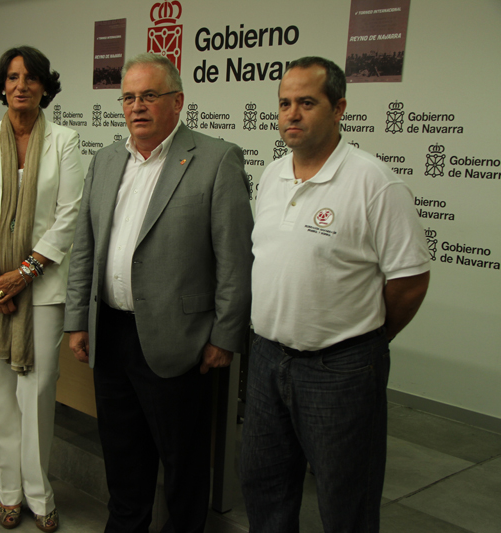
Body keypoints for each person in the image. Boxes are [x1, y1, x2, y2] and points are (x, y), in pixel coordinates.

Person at [64, 53, 253, 533]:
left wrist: (226, 335)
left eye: (149, 95)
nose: (137, 106)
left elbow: (234, 259)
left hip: (181, 337)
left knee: (184, 459)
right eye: (129, 96)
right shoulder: (107, 160)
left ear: (177, 102)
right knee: (122, 450)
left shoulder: (216, 158)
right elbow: (85, 246)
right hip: (111, 332)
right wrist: (76, 320)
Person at [240, 56, 431, 532]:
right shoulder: (271, 175)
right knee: (265, 488)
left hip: (339, 370)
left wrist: (366, 339)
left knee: (345, 500)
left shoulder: (374, 183)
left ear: (339, 108)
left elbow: (409, 281)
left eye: (307, 102)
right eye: (285, 103)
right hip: (266, 359)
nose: (292, 114)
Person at [0, 46, 83, 532]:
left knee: (37, 391)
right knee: (0, 392)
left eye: (31, 78)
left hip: (43, 286)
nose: (21, 85)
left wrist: (24, 272)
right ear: (2, 85)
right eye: (12, 77)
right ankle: (9, 492)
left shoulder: (65, 141)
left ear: (44, 86)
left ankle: (39, 493)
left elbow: (68, 215)